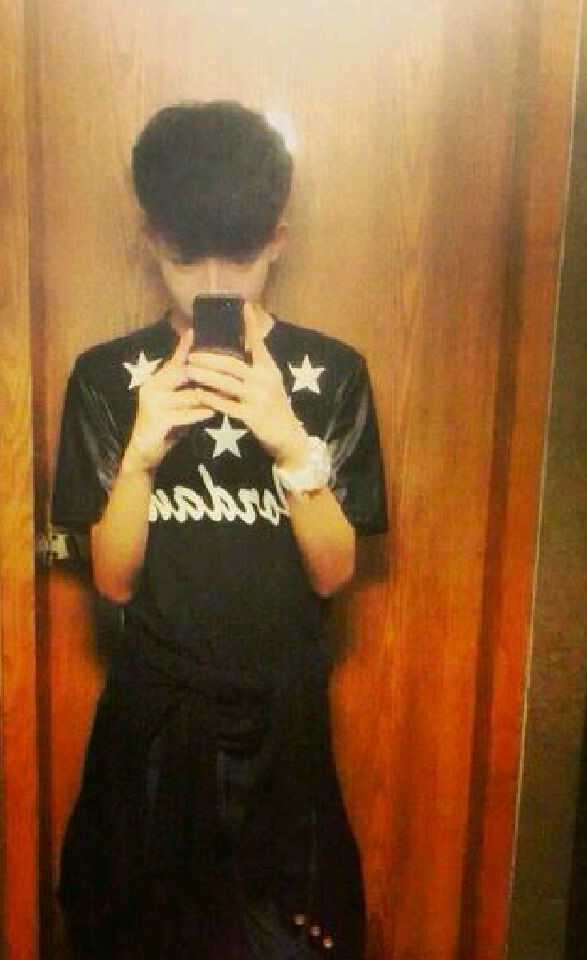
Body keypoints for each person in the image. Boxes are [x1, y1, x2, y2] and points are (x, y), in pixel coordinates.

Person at [50, 100, 388, 960]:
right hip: (155, 731)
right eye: (183, 257)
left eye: (238, 258)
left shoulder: (333, 375)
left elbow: (333, 573)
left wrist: (289, 443)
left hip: (282, 733)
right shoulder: (104, 378)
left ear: (276, 241)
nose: (212, 286)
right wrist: (139, 456)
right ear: (149, 241)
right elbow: (113, 582)